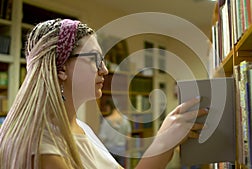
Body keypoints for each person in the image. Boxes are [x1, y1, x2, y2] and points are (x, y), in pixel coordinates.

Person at [0, 18, 208, 169]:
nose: (104, 70)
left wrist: (166, 141)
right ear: (62, 68)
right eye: (95, 59)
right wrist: (162, 142)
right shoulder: (45, 150)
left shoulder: (82, 129)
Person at [98, 99, 132, 167]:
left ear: (109, 106)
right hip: (121, 151)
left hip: (109, 151)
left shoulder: (106, 121)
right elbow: (128, 138)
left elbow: (102, 138)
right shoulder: (125, 120)